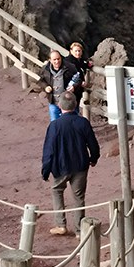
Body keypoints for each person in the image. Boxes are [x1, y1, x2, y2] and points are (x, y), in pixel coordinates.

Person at [40, 90, 99, 237]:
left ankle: (61, 224)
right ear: (76, 104)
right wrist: (94, 158)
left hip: (61, 166)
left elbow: (49, 150)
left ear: (60, 106)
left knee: (57, 191)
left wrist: (45, 170)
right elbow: (93, 143)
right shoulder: (83, 122)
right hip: (80, 165)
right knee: (78, 197)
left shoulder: (55, 126)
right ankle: (79, 230)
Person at [39, 49, 80, 121]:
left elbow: (79, 79)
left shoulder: (70, 67)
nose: (57, 61)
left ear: (61, 58)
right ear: (50, 60)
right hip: (53, 101)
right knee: (54, 123)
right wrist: (46, 87)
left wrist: (74, 86)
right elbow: (41, 81)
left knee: (71, 122)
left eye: (58, 59)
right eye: (54, 59)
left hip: (68, 103)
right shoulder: (45, 69)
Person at [64, 40, 89, 112]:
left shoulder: (80, 61)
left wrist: (89, 65)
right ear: (71, 51)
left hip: (78, 89)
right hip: (70, 88)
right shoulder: (68, 61)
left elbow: (84, 65)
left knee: (75, 106)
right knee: (71, 108)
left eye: (79, 51)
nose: (77, 53)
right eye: (76, 51)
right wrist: (81, 82)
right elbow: (71, 75)